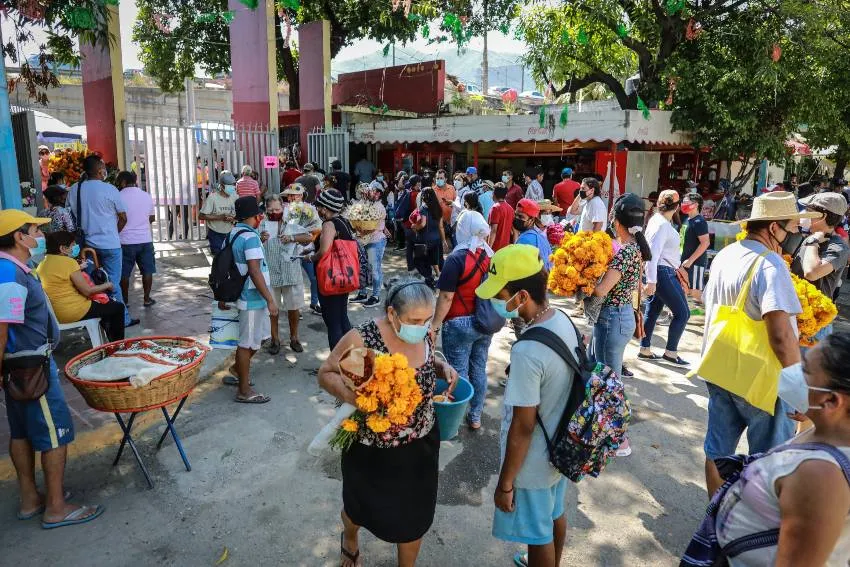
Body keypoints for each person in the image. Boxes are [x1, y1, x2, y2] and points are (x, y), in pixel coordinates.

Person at [318, 279, 458, 567]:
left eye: (427, 319)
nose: (422, 326)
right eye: (414, 320)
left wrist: (441, 366)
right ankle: (351, 538)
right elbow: (327, 372)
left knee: (414, 518)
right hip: (371, 448)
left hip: (420, 444)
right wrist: (356, 399)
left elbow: (425, 362)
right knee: (358, 508)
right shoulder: (364, 338)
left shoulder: (425, 333)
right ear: (392, 314)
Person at [701, 191, 817, 495]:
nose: (795, 235)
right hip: (760, 380)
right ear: (773, 227)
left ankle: (714, 521)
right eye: (792, 228)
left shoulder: (727, 253)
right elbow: (780, 335)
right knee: (770, 463)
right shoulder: (770, 265)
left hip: (721, 366)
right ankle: (753, 532)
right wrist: (801, 392)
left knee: (717, 452)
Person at [0, 210, 104, 528]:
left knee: (21, 433)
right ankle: (56, 507)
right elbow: (2, 328)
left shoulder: (15, 268)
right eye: (34, 230)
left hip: (19, 367)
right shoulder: (10, 274)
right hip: (31, 368)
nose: (39, 236)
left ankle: (31, 499)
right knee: (55, 433)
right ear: (19, 237)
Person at [475, 244, 576, 567]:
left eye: (500, 294)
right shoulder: (560, 318)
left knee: (537, 534)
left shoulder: (527, 352)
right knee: (554, 512)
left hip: (533, 461)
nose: (496, 302)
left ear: (521, 296)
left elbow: (523, 426)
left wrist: (506, 484)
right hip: (561, 446)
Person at [711, 333, 850, 565]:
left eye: (804, 369)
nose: (793, 373)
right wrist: (813, 410)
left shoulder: (820, 476)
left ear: (831, 401)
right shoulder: (827, 430)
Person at [589, 194, 651, 456]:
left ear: (616, 221)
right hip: (621, 316)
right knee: (607, 377)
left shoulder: (625, 252)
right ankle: (604, 428)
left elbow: (602, 290)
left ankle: (619, 439)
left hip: (613, 318)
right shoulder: (635, 248)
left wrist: (582, 282)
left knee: (609, 381)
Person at [432, 212, 494, 430]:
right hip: (485, 323)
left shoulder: (456, 259)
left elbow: (447, 297)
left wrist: (434, 324)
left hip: (458, 324)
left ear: (463, 230)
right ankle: (475, 416)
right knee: (479, 369)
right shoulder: (489, 257)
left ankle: (455, 418)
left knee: (457, 372)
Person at [67, 155, 137, 328]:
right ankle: (123, 320)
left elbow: (71, 216)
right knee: (113, 283)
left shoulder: (75, 189)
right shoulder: (110, 189)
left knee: (91, 283)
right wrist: (115, 231)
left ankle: (99, 319)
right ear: (100, 171)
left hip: (87, 246)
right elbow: (123, 217)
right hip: (111, 244)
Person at [224, 197, 277, 404]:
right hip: (252, 297)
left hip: (246, 295)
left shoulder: (235, 233)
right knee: (247, 343)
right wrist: (270, 299)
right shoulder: (250, 238)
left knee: (258, 338)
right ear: (254, 216)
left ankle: (238, 369)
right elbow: (254, 271)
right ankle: (244, 390)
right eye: (259, 215)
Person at [36, 231, 125, 342]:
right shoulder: (68, 262)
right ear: (63, 248)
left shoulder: (42, 263)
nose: (75, 247)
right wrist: (107, 285)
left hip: (56, 314)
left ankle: (107, 340)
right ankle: (118, 345)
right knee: (117, 307)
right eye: (73, 245)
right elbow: (87, 291)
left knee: (106, 307)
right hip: (74, 310)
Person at [259, 194, 319, 354]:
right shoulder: (262, 224)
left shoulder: (293, 221)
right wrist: (260, 238)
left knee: (293, 307)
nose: (274, 212)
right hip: (271, 273)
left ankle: (294, 338)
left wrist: (292, 237)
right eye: (270, 210)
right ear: (266, 210)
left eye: (277, 209)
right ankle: (275, 339)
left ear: (283, 208)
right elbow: (254, 246)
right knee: (273, 309)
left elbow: (308, 237)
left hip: (291, 272)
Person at [639, 190, 691, 365]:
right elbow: (652, 254)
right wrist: (651, 280)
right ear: (676, 207)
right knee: (683, 313)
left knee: (653, 311)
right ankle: (670, 352)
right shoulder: (661, 224)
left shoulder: (658, 220)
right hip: (663, 271)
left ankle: (645, 348)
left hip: (663, 271)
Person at [791, 192, 850, 340]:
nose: (804, 215)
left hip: (813, 327)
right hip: (794, 317)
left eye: (810, 211)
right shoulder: (810, 239)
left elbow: (811, 273)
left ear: (823, 216)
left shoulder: (838, 247)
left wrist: (813, 241)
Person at [310, 189, 356, 348]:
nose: (318, 210)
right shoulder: (344, 221)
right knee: (342, 318)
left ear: (325, 207)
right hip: (344, 276)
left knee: (333, 322)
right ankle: (351, 356)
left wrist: (310, 257)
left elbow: (324, 251)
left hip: (331, 278)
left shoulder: (329, 224)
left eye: (319, 206)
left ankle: (336, 364)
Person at [116, 171, 156, 309]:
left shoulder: (118, 196)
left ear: (123, 182)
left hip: (125, 241)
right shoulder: (146, 196)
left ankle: (125, 301)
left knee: (124, 273)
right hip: (145, 239)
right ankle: (146, 299)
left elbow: (117, 218)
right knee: (147, 271)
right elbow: (152, 218)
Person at [280, 185, 322, 314]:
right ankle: (294, 309)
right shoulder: (283, 209)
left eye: (294, 195)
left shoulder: (310, 209)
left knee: (314, 278)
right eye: (289, 195)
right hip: (288, 250)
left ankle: (315, 303)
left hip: (306, 249)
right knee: (292, 280)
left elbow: (317, 228)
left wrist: (306, 237)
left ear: (302, 195)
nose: (291, 197)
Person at [351, 192, 388, 308]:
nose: (368, 194)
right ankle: (362, 293)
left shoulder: (379, 207)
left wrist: (362, 230)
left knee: (374, 269)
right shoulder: (362, 205)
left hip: (375, 241)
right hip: (362, 241)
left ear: (379, 194)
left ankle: (375, 296)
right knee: (361, 267)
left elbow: (373, 226)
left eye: (374, 192)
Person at [411, 187, 447, 287]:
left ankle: (429, 279)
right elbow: (441, 226)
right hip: (436, 240)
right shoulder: (438, 208)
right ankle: (438, 279)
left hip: (424, 240)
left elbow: (423, 224)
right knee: (435, 260)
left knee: (419, 261)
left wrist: (414, 227)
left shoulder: (423, 208)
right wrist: (443, 240)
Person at [680, 192, 711, 306]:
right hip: (683, 261)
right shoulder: (686, 220)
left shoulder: (699, 221)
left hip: (695, 263)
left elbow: (705, 243)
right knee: (683, 288)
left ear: (696, 204)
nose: (683, 204)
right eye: (683, 201)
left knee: (695, 292)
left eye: (686, 201)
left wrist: (691, 260)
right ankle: (680, 314)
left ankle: (705, 312)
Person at [200, 171, 238, 255]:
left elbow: (239, 213)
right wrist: (220, 217)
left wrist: (234, 219)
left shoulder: (235, 196)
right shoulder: (212, 198)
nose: (233, 187)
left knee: (230, 258)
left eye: (234, 185)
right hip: (216, 234)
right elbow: (201, 216)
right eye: (231, 185)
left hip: (230, 232)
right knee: (218, 259)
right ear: (223, 186)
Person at [514, 199, 553, 270]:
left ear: (531, 220)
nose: (516, 218)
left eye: (521, 217)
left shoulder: (524, 240)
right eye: (515, 215)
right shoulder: (541, 237)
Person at [397, 175, 423, 273]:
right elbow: (419, 210)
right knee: (417, 247)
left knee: (409, 247)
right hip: (414, 224)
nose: (420, 183)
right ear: (416, 183)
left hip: (406, 223)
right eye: (419, 182)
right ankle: (417, 267)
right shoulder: (417, 195)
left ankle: (410, 268)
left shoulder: (408, 192)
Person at [488, 183, 515, 252]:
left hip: (495, 248)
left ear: (494, 194)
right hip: (506, 248)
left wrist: (488, 249)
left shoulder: (495, 208)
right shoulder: (510, 209)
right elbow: (513, 231)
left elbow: (493, 230)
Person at [433, 169, 456, 242]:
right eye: (437, 178)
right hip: (438, 224)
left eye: (441, 178)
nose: (439, 180)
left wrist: (451, 203)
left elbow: (456, 203)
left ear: (445, 179)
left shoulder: (451, 188)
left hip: (451, 223)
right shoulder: (432, 190)